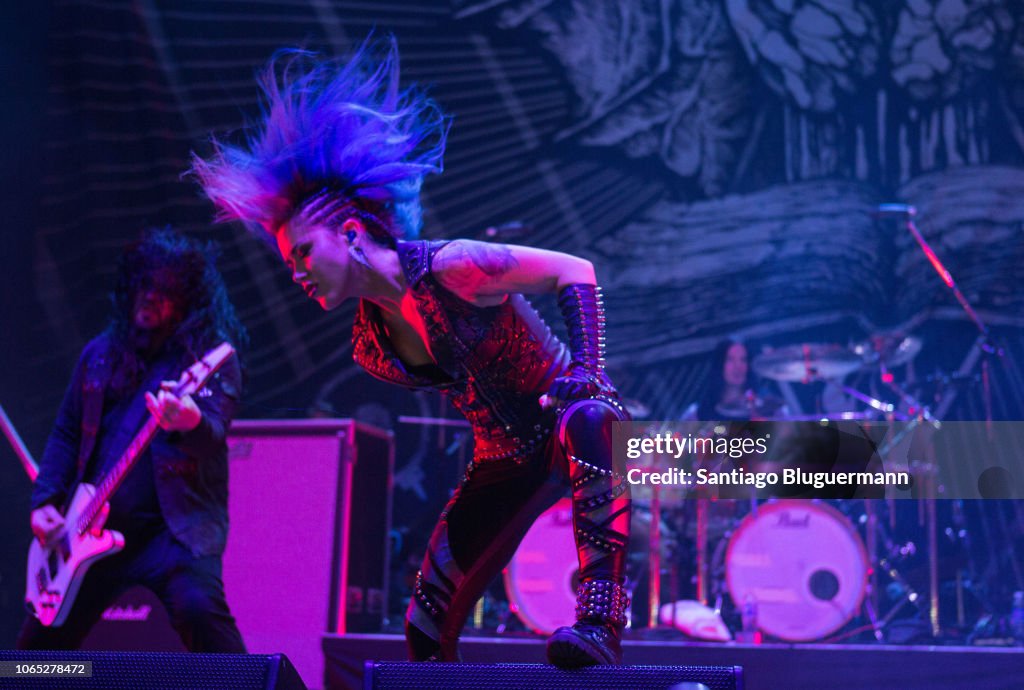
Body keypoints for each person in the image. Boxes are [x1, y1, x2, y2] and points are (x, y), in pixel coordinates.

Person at [191, 38, 631, 667]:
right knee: (424, 627)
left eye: (303, 255)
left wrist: (586, 374)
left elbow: (576, 268)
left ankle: (600, 625)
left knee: (611, 424)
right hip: (506, 461)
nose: (297, 275)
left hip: (576, 428)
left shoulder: (453, 269)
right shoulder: (370, 346)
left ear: (349, 232)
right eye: (290, 264)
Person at [18, 228, 248, 653]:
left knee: (199, 611)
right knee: (32, 656)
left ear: (189, 300)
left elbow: (212, 436)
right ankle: (61, 680)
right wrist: (45, 502)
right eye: (144, 284)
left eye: (164, 289)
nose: (150, 297)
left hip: (174, 533)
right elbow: (66, 433)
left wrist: (189, 420)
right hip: (84, 532)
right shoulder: (99, 354)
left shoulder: (210, 361)